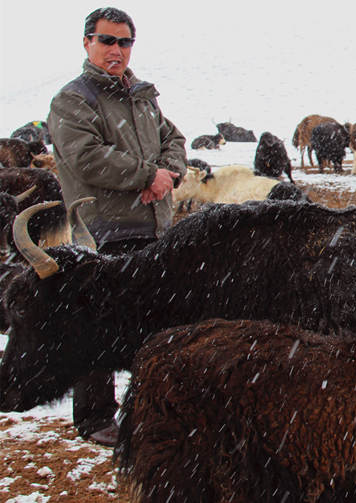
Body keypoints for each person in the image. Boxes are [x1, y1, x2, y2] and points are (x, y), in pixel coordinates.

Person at [47, 7, 187, 446]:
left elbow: (175, 141)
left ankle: (147, 409)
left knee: (151, 323)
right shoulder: (73, 100)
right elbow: (86, 157)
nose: (116, 50)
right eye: (107, 41)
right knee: (97, 324)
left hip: (153, 227)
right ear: (87, 43)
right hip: (103, 228)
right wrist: (148, 176)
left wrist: (168, 173)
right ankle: (94, 418)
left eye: (124, 42)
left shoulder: (142, 96)